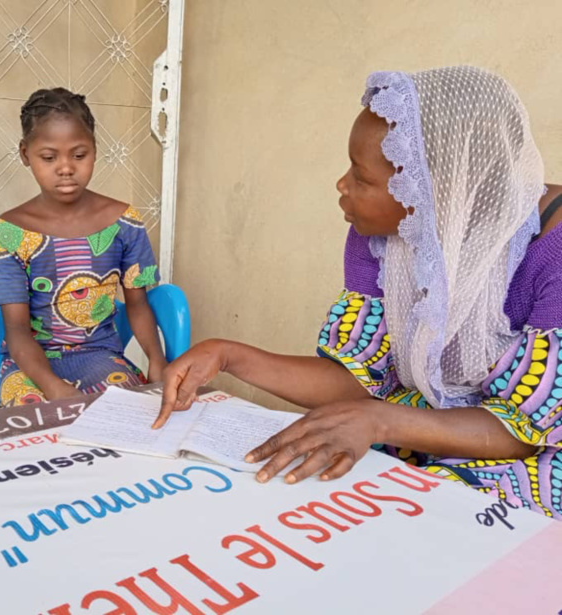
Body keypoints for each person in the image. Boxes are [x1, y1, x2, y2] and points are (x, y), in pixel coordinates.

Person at [154, 66, 562, 519]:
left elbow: (526, 429)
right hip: (415, 427)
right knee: (298, 498)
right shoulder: (382, 237)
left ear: (437, 189)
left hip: (535, 453)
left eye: (362, 178)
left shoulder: (553, 250)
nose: (342, 186)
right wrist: (228, 355)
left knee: (425, 519)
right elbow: (358, 379)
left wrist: (377, 419)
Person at [0, 88, 167, 406]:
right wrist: (54, 388)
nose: (66, 167)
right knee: (31, 420)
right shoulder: (9, 232)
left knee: (128, 412)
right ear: (25, 154)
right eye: (49, 157)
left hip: (99, 354)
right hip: (29, 363)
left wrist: (157, 360)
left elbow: (138, 304)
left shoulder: (125, 222)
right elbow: (16, 329)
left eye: (79, 155)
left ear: (95, 151)